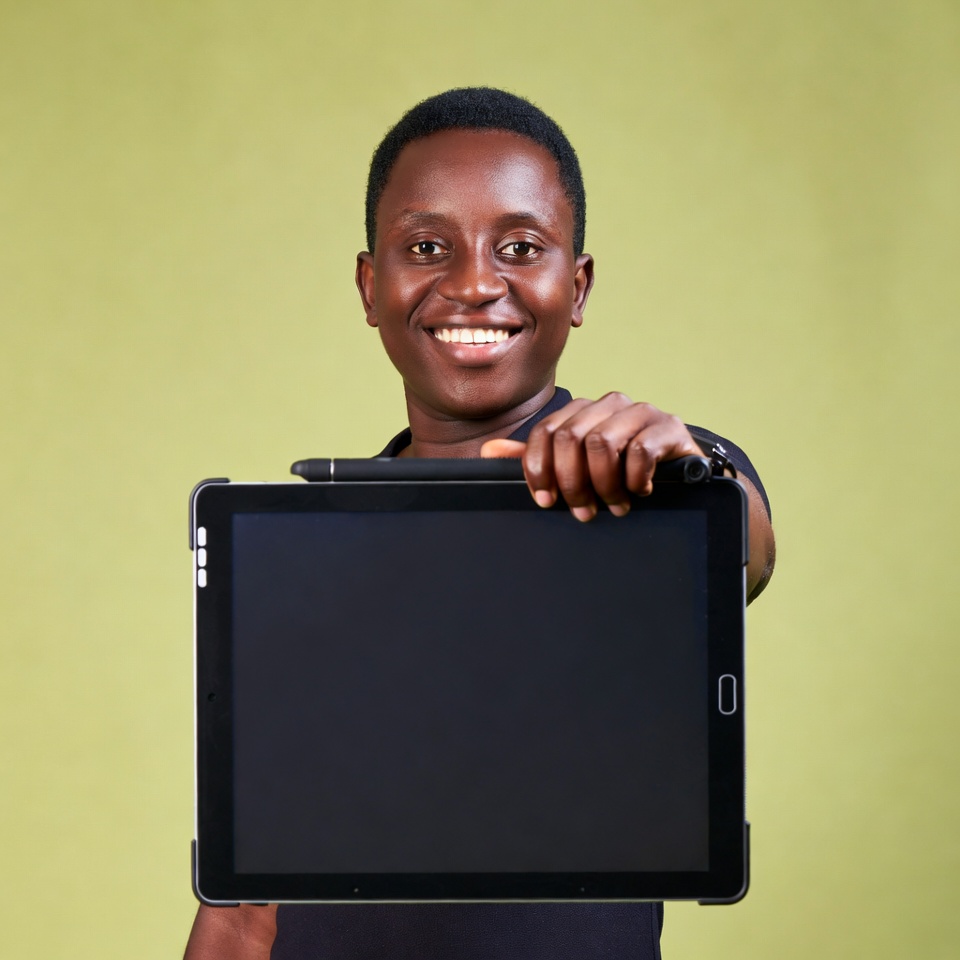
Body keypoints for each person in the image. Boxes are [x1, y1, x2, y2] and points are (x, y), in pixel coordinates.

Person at [184, 86, 775, 960]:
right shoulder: (300, 553)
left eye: (521, 247)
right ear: (370, 285)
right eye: (427, 247)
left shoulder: (640, 486)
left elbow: (745, 539)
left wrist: (687, 466)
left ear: (575, 287)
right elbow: (246, 910)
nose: (471, 283)